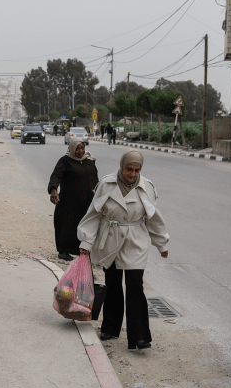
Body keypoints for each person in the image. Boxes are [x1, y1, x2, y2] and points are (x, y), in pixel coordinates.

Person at [77, 151, 169, 349]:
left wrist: (161, 243)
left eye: (137, 170)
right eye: (129, 169)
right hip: (110, 239)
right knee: (113, 284)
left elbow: (153, 217)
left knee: (135, 285)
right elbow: (93, 215)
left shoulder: (147, 187)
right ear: (122, 166)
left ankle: (140, 336)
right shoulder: (106, 184)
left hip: (136, 241)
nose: (132, 174)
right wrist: (86, 243)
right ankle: (110, 328)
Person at [48, 140, 99, 261]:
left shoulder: (89, 160)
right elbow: (55, 176)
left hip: (88, 201)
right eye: (77, 148)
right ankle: (64, 251)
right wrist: (53, 190)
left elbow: (96, 180)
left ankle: (85, 250)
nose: (80, 151)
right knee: (67, 226)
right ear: (71, 149)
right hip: (68, 202)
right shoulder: (65, 161)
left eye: (82, 148)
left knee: (87, 226)